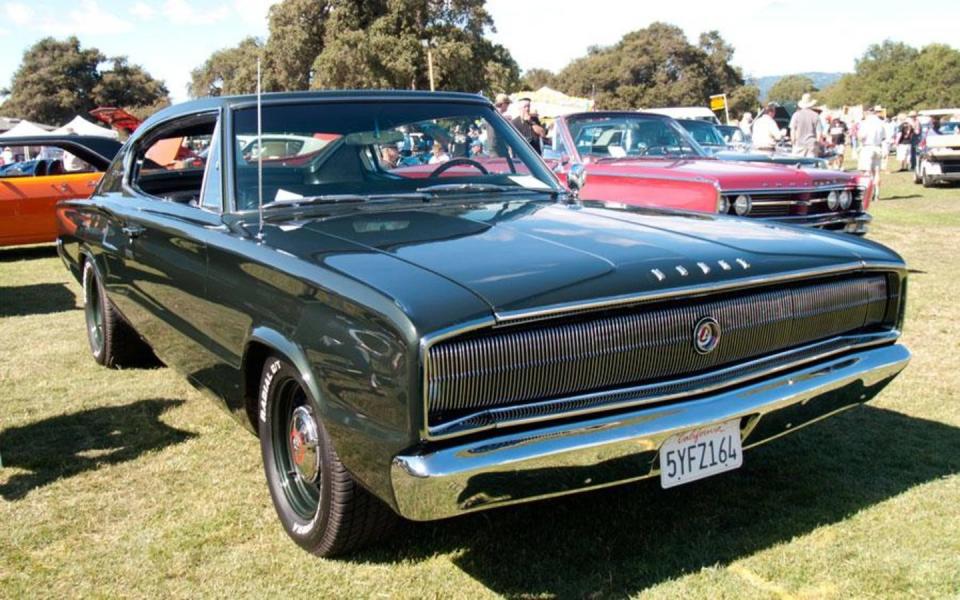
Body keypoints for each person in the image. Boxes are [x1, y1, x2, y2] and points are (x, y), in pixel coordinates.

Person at [858, 106, 887, 201]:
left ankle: (867, 193)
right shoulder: (880, 122)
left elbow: (861, 136)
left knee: (866, 172)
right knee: (877, 172)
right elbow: (883, 137)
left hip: (868, 147)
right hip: (878, 146)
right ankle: (877, 193)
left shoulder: (865, 123)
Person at [790, 93, 821, 157]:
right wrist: (817, 144)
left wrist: (793, 142)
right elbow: (819, 132)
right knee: (811, 165)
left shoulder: (796, 115)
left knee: (797, 165)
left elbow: (792, 130)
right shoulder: (816, 115)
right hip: (811, 144)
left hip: (799, 144)